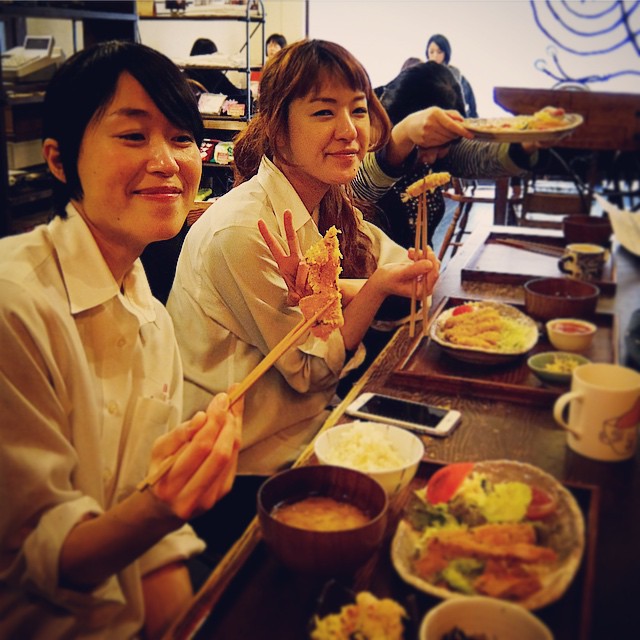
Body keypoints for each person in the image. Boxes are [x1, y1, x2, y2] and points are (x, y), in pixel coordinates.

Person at [0, 41, 243, 639]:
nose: (166, 162)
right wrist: (161, 506)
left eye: (181, 138)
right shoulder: (15, 304)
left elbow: (150, 545)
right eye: (133, 136)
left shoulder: (149, 316)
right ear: (59, 160)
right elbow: (41, 559)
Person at [167, 39, 439, 476]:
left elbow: (387, 259)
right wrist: (377, 289)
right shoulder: (242, 231)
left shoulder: (323, 196)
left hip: (307, 420)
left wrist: (412, 269)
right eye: (324, 112)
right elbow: (311, 370)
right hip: (244, 459)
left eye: (358, 109)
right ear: (278, 129)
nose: (349, 130)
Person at [353, 61, 546, 251]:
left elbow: (477, 156)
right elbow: (356, 192)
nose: (430, 158)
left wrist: (526, 141)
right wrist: (403, 135)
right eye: (422, 147)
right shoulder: (362, 132)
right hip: (364, 269)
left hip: (417, 264)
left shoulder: (439, 149)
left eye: (442, 147)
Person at [426, 33, 478, 118]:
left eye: (439, 52)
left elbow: (471, 107)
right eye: (431, 52)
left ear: (446, 53)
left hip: (452, 119)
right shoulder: (421, 74)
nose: (435, 56)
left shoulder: (457, 76)